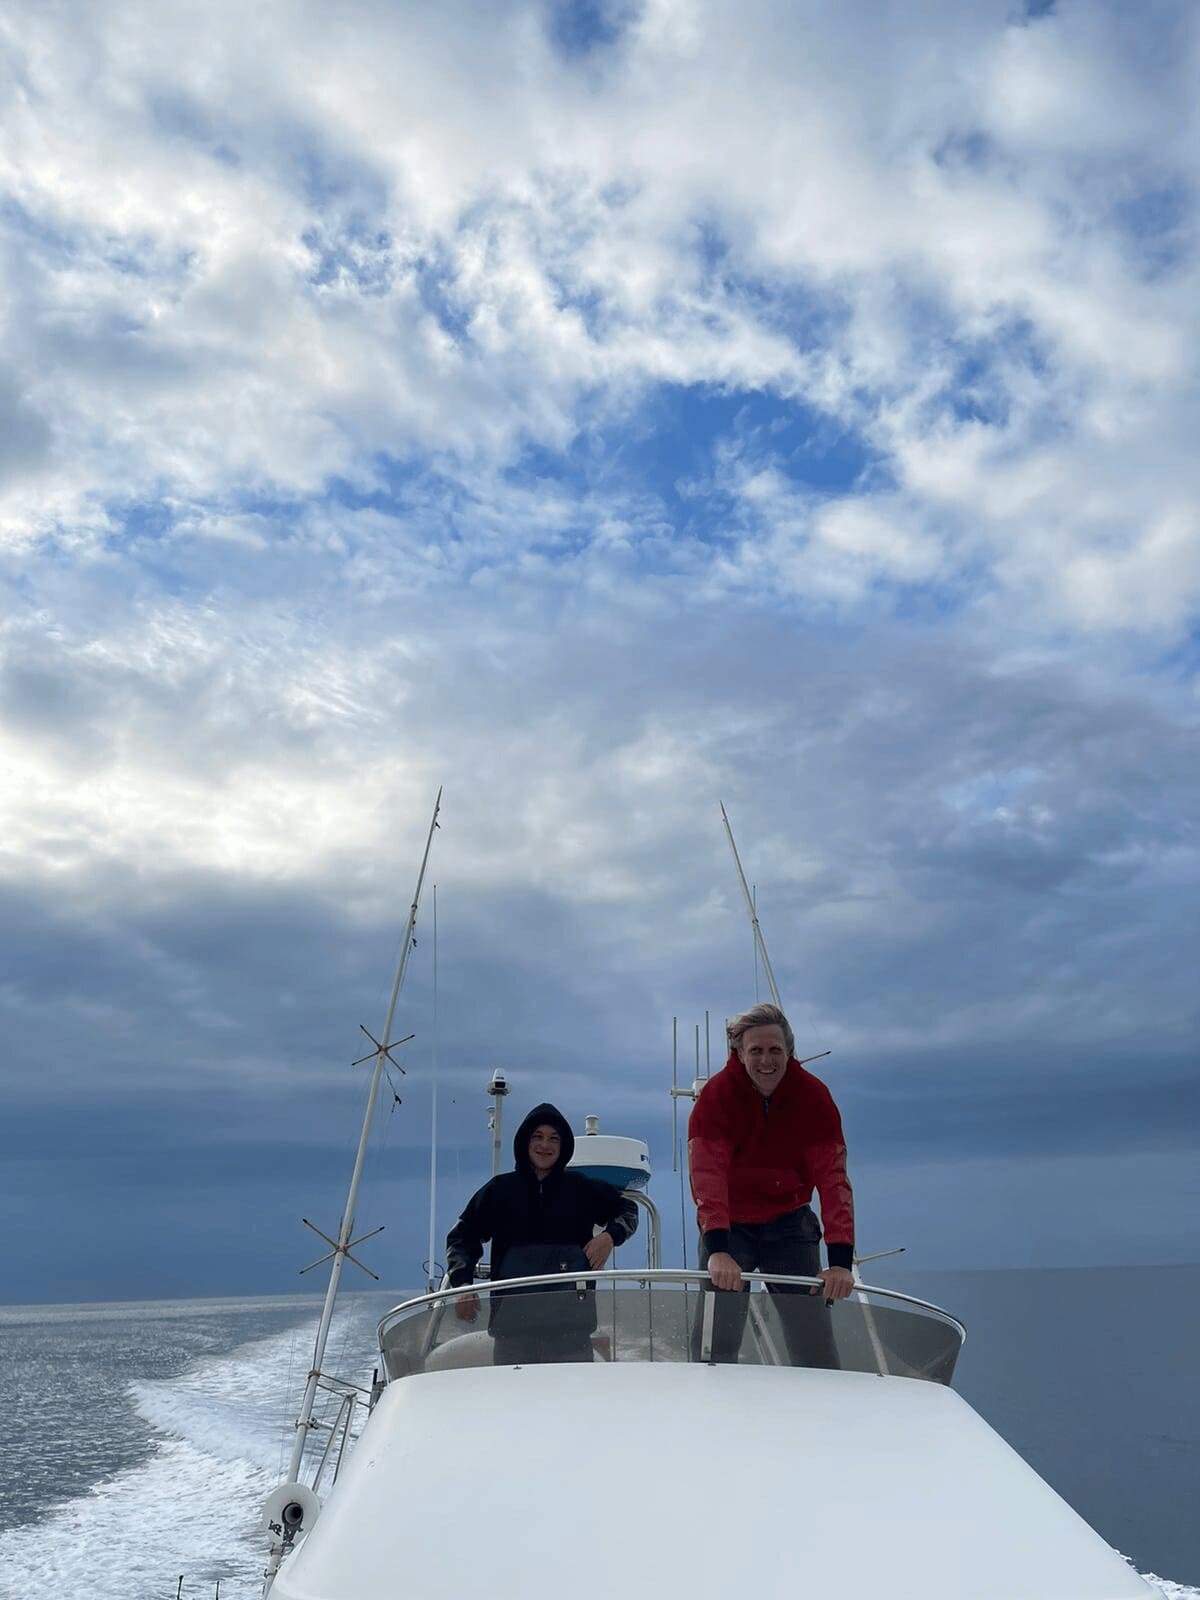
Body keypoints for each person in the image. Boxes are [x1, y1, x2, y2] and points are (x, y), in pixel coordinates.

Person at [688, 1002, 855, 1367]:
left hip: (790, 1222)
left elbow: (833, 1179)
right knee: (713, 1344)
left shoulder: (814, 1098)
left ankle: (822, 1411)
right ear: (739, 1053)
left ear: (789, 1052)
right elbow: (708, 1176)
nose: (767, 1060)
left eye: (775, 1049)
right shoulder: (717, 1098)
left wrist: (841, 1261)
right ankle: (709, 1408)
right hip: (730, 1226)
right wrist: (717, 1248)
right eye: (756, 1050)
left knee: (814, 1343)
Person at [445, 1102, 639, 1366]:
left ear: (563, 1146)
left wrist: (609, 1237)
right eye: (538, 1136)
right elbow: (462, 1237)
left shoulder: (581, 1188)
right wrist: (462, 1284)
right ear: (525, 1141)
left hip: (572, 1336)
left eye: (553, 1138)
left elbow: (628, 1210)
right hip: (512, 1337)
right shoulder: (498, 1191)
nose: (545, 1145)